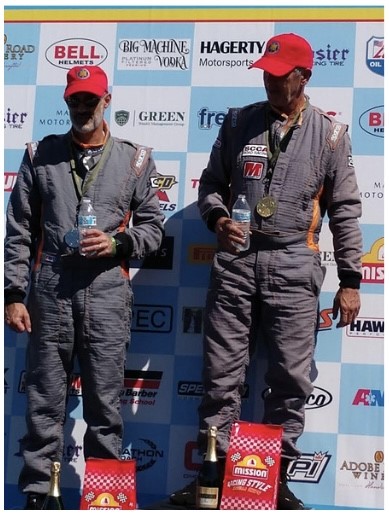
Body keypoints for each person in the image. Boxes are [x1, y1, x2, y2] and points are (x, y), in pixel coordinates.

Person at [170, 33, 362, 509]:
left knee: (291, 380)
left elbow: (345, 211)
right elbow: (211, 184)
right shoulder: (237, 122)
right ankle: (211, 479)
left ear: (304, 77)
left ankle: (271, 482)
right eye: (266, 74)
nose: (270, 82)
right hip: (237, 262)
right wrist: (217, 219)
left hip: (296, 263)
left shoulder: (332, 135)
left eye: (280, 76)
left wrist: (352, 280)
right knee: (220, 377)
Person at [4, 65, 165, 509]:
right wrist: (14, 294)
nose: (82, 108)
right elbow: (19, 229)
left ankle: (104, 498)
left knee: (105, 407)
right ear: (66, 101)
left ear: (106, 99)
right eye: (75, 100)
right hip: (51, 290)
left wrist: (118, 242)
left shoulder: (135, 159)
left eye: (90, 100)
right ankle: (40, 493)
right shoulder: (40, 155)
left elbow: (154, 229)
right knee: (43, 403)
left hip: (107, 291)